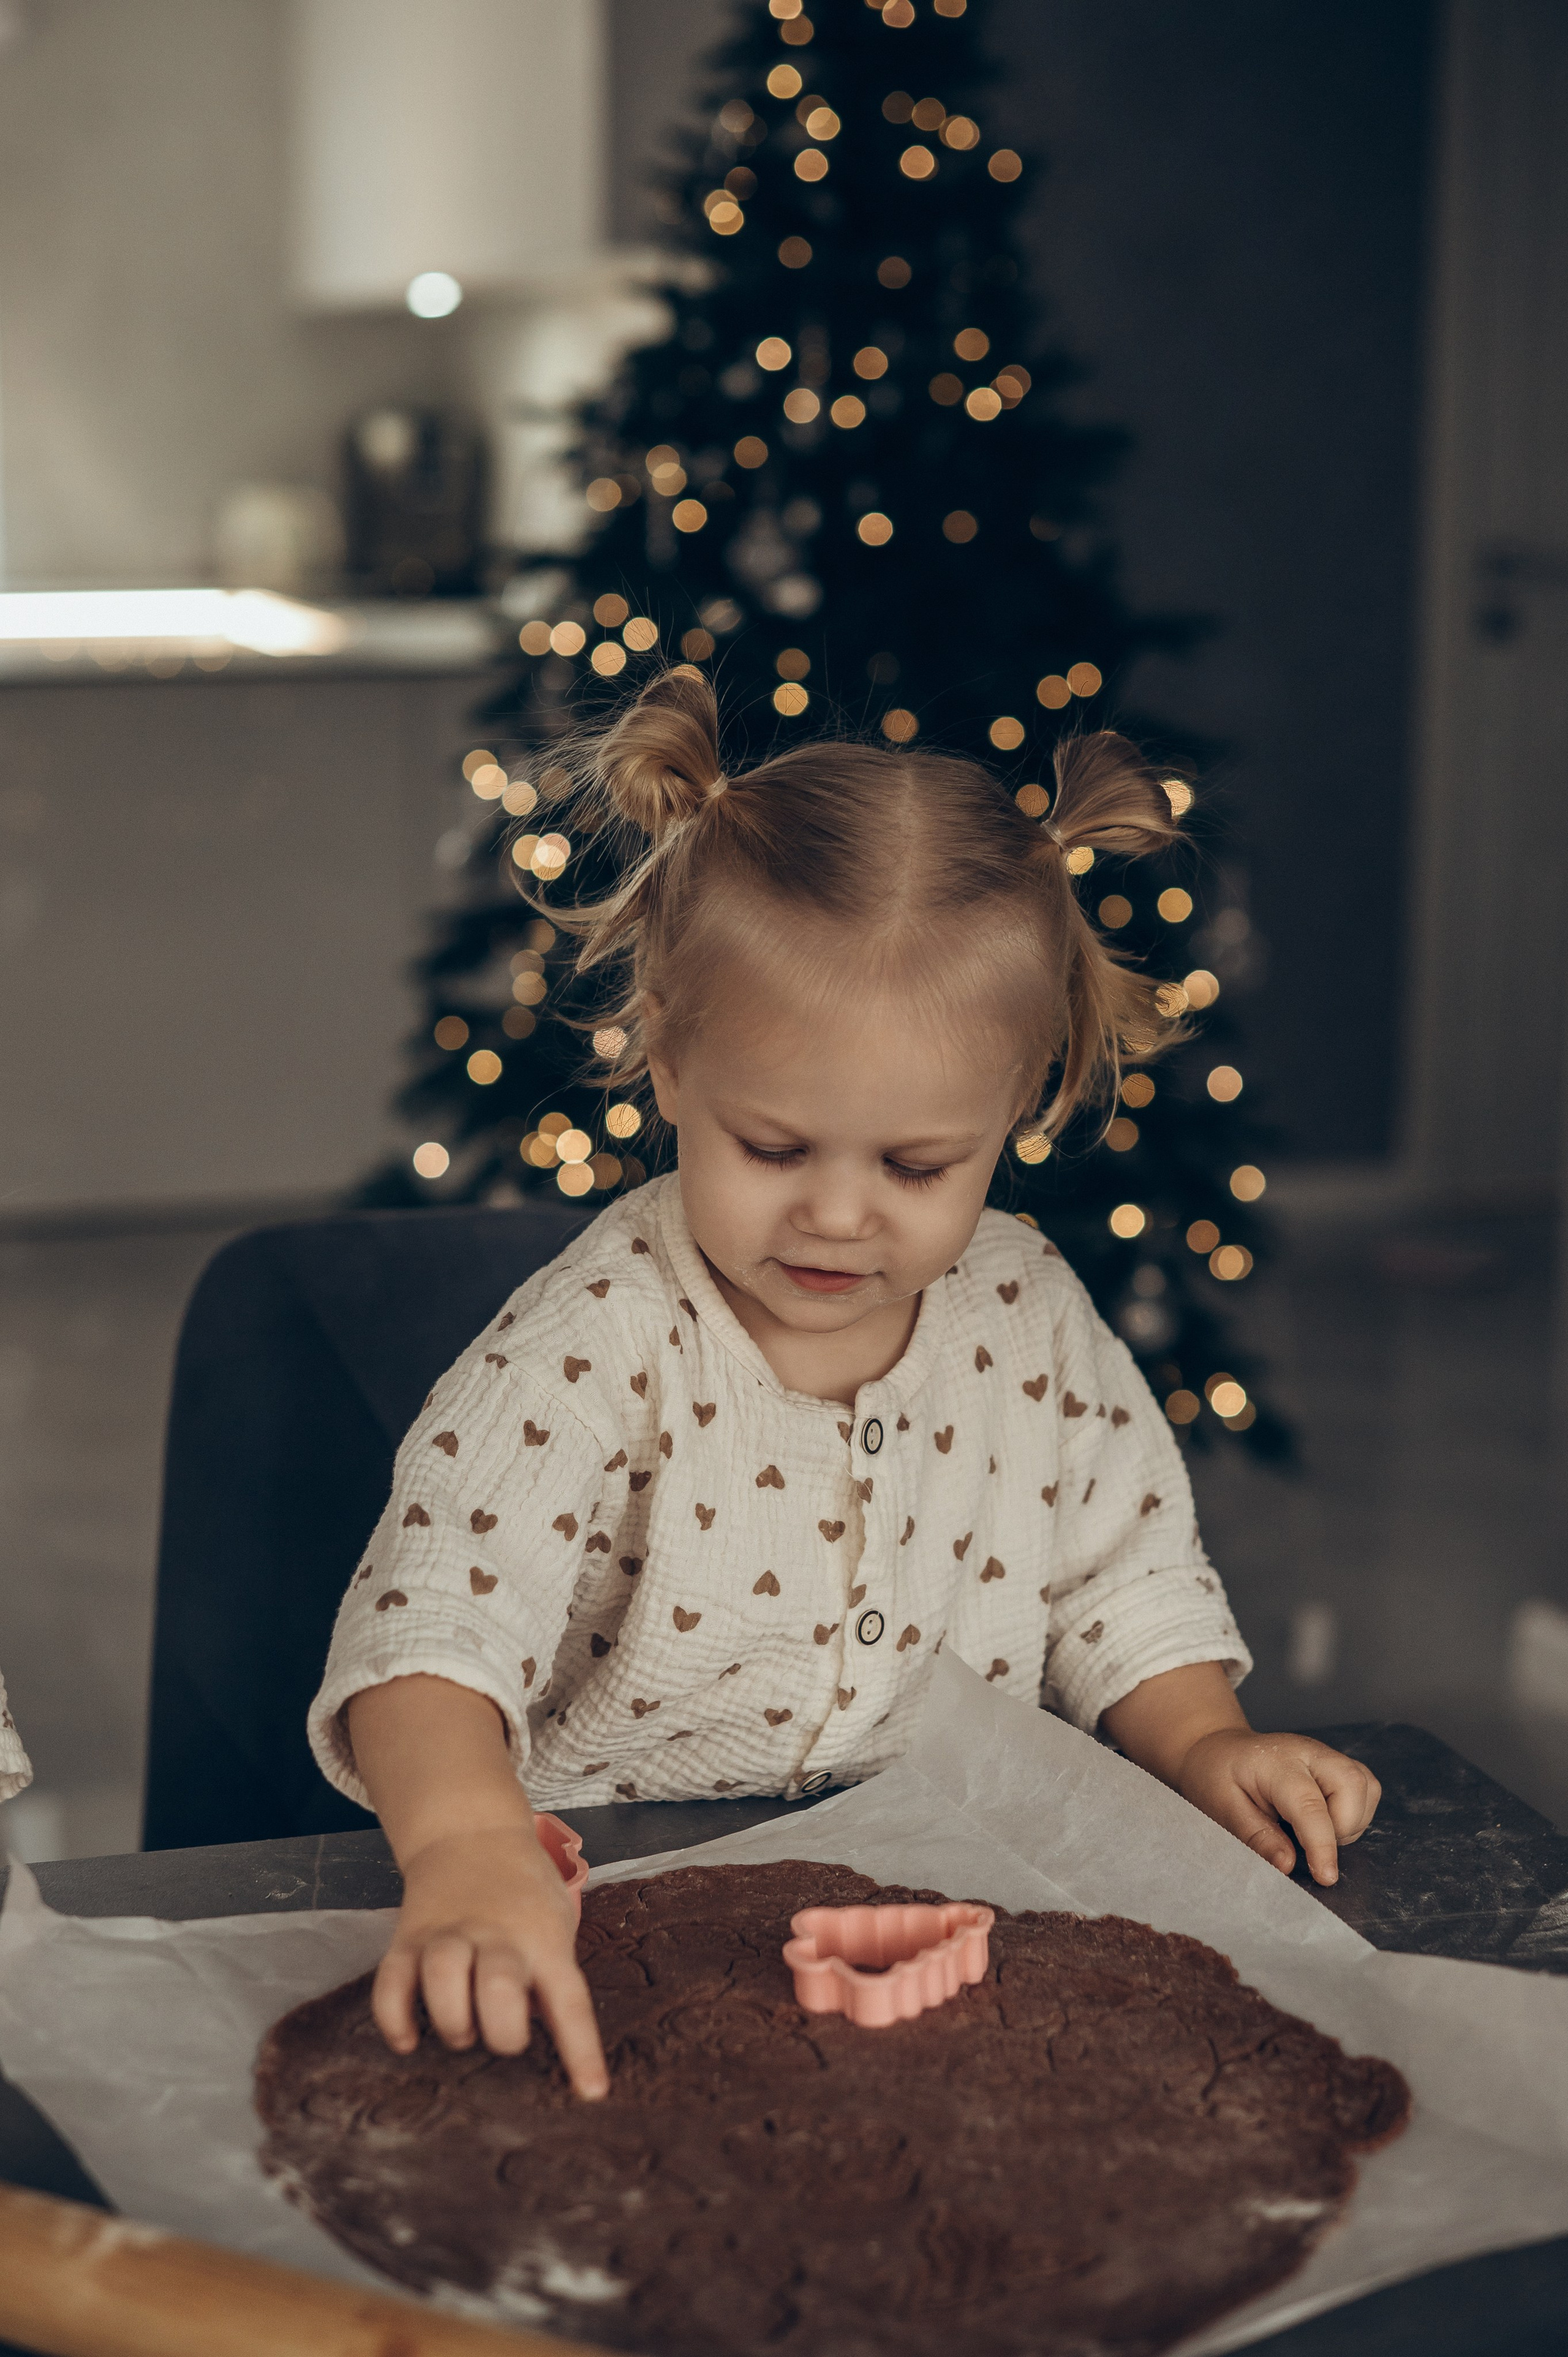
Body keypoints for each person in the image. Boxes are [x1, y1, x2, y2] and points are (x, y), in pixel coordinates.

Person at [307, 669, 1380, 2102]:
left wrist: (1203, 1741)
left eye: (916, 1167)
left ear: (1022, 1103)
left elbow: (1122, 1583)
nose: (835, 1215)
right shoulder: (595, 1337)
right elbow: (433, 1621)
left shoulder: (1031, 1313)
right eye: (773, 1148)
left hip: (953, 1903)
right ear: (672, 1062)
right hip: (603, 1925)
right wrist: (461, 1847)